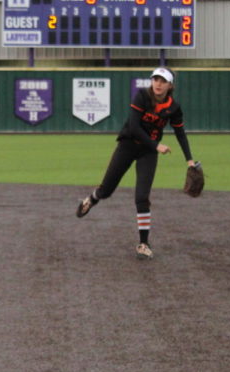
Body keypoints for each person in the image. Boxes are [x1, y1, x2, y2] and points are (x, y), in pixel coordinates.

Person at [75, 67, 195, 259]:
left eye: (162, 81)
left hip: (148, 152)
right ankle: (92, 198)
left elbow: (180, 133)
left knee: (142, 197)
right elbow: (134, 127)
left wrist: (189, 160)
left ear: (170, 85)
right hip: (128, 145)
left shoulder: (174, 107)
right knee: (107, 190)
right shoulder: (141, 96)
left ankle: (143, 244)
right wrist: (156, 145)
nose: (158, 83)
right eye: (155, 79)